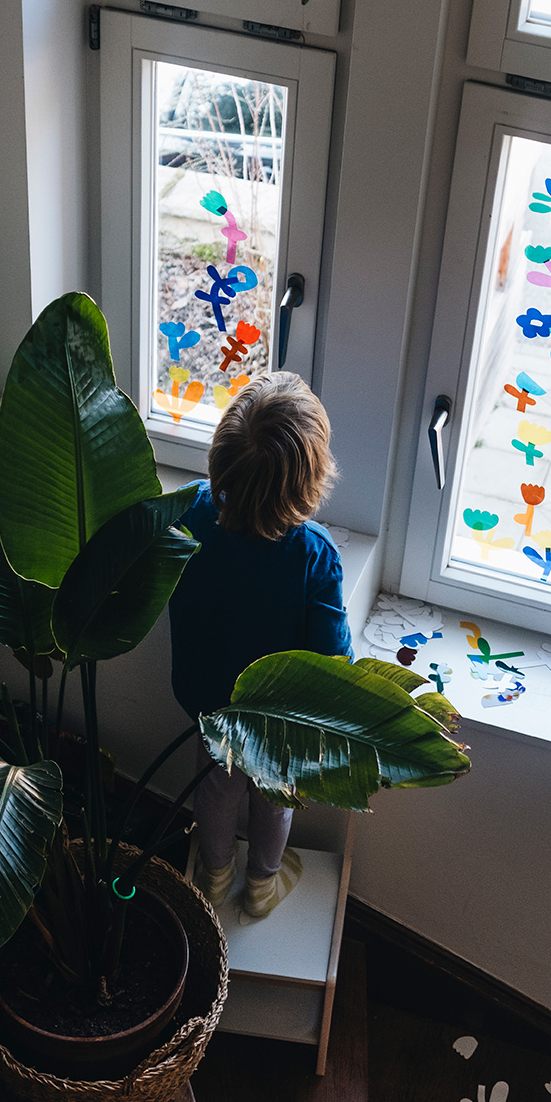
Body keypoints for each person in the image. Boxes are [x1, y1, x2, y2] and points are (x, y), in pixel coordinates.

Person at [169, 371, 353, 921]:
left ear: (220, 460)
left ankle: (215, 873)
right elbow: (334, 659)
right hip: (277, 722)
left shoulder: (190, 513)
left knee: (215, 792)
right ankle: (261, 885)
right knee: (273, 801)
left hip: (210, 704)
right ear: (310, 482)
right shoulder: (313, 554)